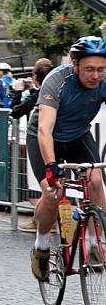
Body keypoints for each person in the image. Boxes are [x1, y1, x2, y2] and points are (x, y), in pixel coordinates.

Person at [28, 36, 106, 281]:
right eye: (89, 69)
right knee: (53, 193)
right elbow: (44, 130)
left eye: (101, 69)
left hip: (78, 136)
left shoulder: (104, 81)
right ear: (75, 65)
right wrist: (51, 167)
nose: (95, 76)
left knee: (95, 181)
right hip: (45, 137)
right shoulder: (57, 80)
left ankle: (93, 243)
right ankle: (41, 246)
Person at [9, 58, 54, 234]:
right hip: (61, 141)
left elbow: (16, 111)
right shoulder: (52, 93)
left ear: (35, 77)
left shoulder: (38, 96)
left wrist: (17, 92)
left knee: (46, 187)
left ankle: (41, 223)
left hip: (40, 142)